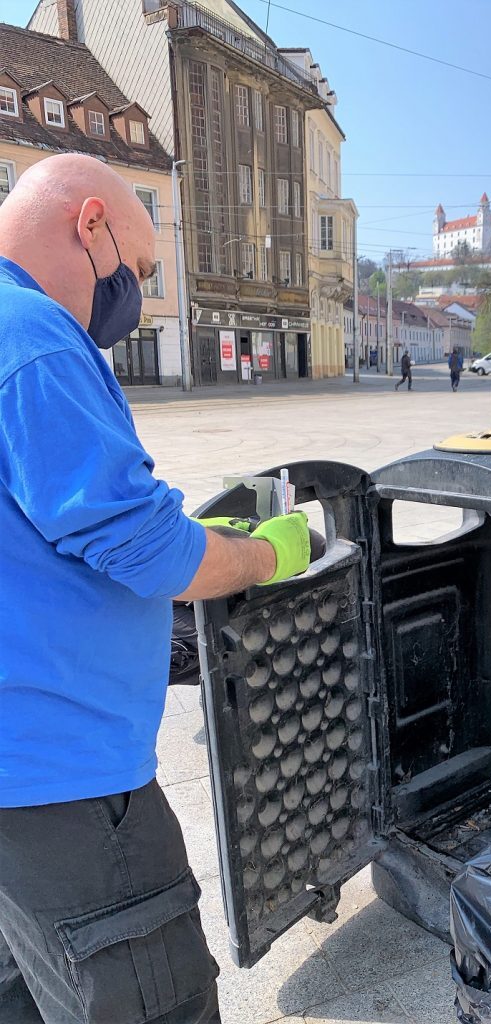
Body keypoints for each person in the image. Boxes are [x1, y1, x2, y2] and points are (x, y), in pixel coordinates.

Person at [0, 155, 313, 1023]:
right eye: (137, 270)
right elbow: (145, 549)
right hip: (61, 783)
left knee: (29, 996)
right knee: (148, 1001)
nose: (134, 293)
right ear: (89, 223)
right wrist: (263, 555)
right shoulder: (30, 339)